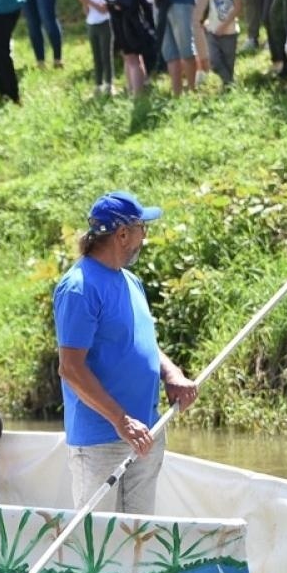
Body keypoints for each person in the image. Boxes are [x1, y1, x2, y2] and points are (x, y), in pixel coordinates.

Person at [53, 192, 197, 515]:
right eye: (141, 229)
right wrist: (121, 421)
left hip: (146, 434)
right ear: (121, 234)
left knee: (139, 540)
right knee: (102, 546)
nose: (144, 238)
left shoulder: (131, 282)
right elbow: (71, 368)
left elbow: (141, 343)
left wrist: (171, 374)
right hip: (102, 442)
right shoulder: (79, 287)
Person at [202, 0, 242, 87]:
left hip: (229, 32)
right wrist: (204, 19)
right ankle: (230, 83)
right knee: (214, 62)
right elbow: (208, 4)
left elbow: (237, 7)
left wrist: (224, 25)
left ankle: (228, 87)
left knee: (228, 62)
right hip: (213, 30)